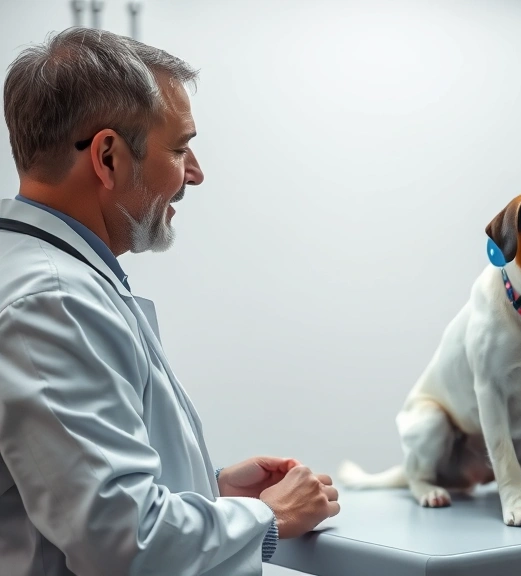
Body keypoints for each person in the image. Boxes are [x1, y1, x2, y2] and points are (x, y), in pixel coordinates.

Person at [0, 28, 339, 576]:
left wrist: (206, 489)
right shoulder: (51, 302)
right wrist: (268, 517)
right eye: (180, 149)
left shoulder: (39, 275)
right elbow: (125, 543)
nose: (195, 173)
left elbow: (69, 490)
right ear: (108, 157)